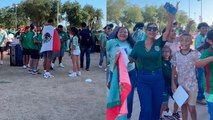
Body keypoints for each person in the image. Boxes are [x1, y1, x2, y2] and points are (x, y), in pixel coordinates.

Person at [129, 5, 175, 119]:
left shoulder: (159, 42)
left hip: (158, 78)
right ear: (146, 30)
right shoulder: (138, 44)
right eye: (149, 29)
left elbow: (168, 30)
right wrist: (119, 59)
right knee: (146, 109)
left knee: (156, 107)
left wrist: (171, 17)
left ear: (157, 31)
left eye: (155, 29)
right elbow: (131, 58)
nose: (152, 31)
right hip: (143, 79)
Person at [106, 27, 136, 120]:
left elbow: (136, 57)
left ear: (128, 34)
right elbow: (104, 50)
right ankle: (117, 114)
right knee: (116, 94)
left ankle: (128, 116)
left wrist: (131, 59)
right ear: (117, 33)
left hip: (129, 73)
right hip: (115, 74)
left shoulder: (132, 44)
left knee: (129, 96)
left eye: (125, 32)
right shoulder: (111, 42)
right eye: (121, 32)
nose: (123, 33)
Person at [171, 33, 200, 120]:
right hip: (181, 85)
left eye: (187, 40)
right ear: (179, 41)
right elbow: (173, 70)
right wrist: (173, 84)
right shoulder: (176, 54)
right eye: (182, 40)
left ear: (191, 42)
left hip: (192, 85)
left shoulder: (195, 53)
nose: (184, 42)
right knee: (183, 106)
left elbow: (200, 63)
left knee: (191, 108)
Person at [196, 29, 213, 120]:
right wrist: (211, 58)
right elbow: (198, 64)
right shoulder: (207, 52)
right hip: (210, 90)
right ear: (210, 41)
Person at [194, 22, 209, 105]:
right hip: (200, 60)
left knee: (206, 78)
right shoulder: (198, 37)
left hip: (206, 60)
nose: (205, 29)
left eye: (206, 28)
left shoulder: (207, 37)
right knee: (200, 79)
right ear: (199, 29)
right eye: (203, 28)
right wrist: (205, 44)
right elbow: (197, 49)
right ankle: (199, 97)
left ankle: (203, 95)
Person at [160, 46, 174, 120]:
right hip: (164, 85)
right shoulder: (160, 62)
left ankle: (168, 113)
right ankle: (159, 116)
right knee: (163, 102)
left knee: (179, 100)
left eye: (167, 51)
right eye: (163, 52)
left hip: (172, 85)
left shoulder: (172, 61)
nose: (165, 53)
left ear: (170, 53)